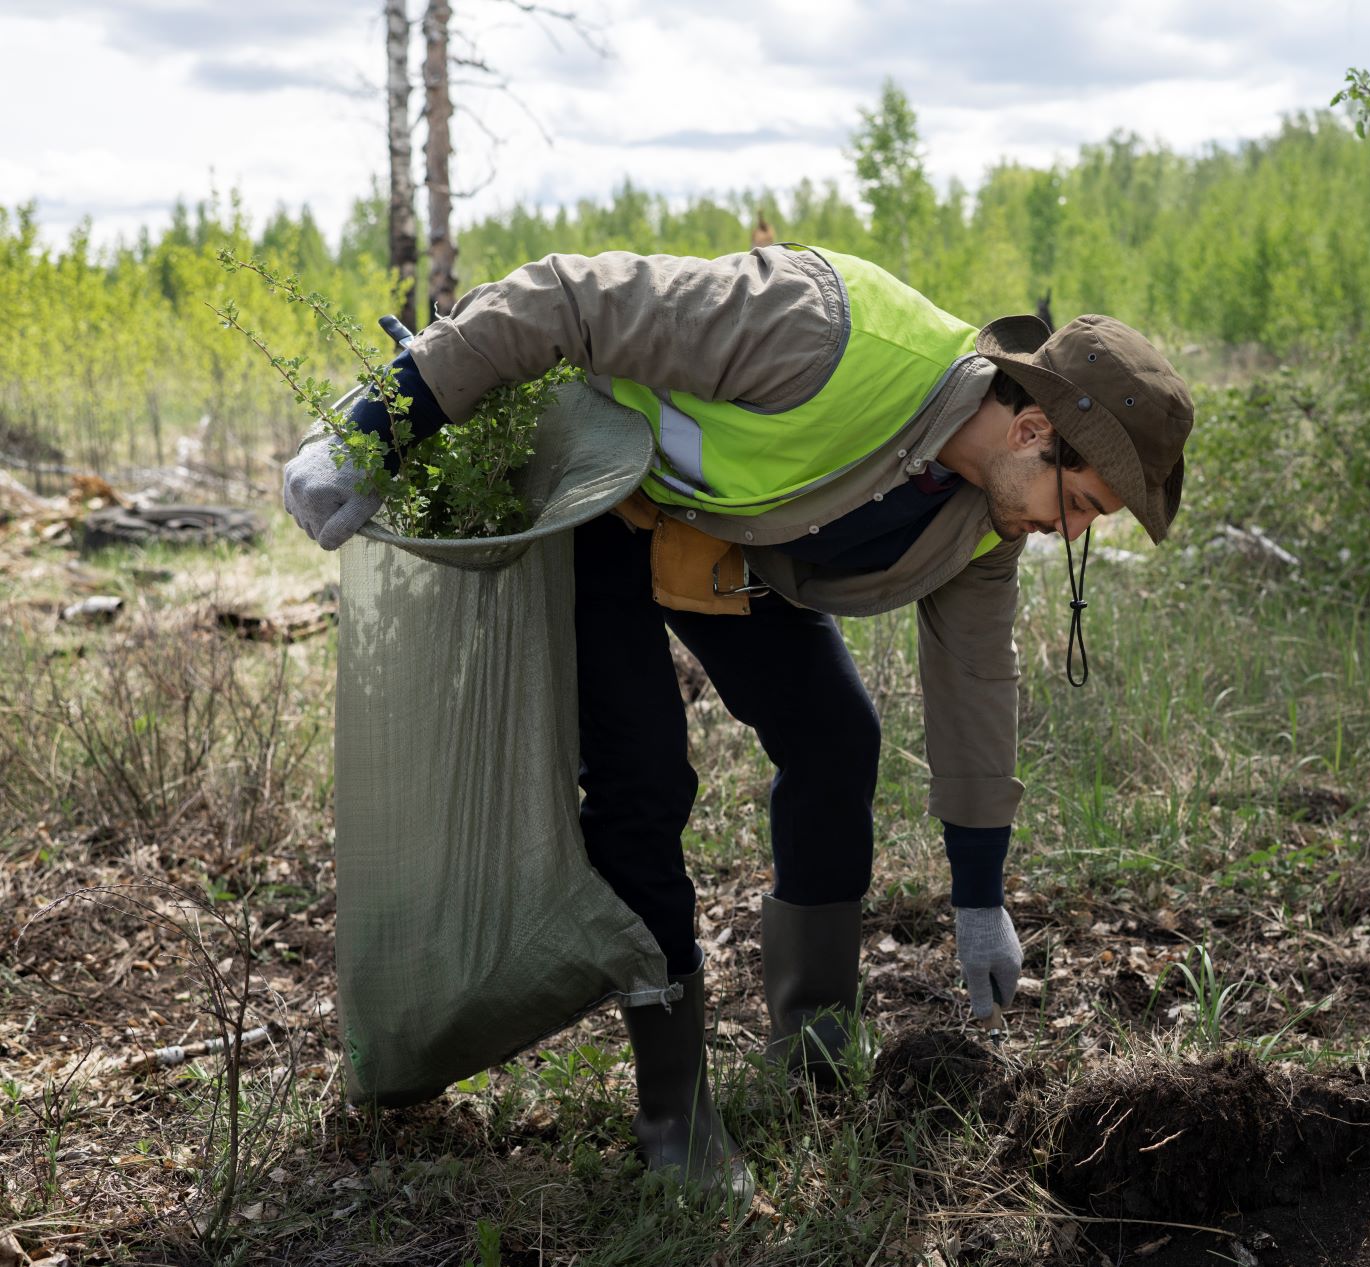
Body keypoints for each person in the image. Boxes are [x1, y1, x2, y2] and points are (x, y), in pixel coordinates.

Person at [282, 243, 1193, 1199]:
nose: (1072, 530)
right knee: (643, 781)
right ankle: (675, 1112)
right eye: (1081, 502)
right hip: (599, 492)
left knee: (837, 739)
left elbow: (976, 680)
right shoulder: (817, 328)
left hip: (720, 539)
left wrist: (978, 898)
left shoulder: (981, 522)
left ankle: (816, 1054)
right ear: (1033, 429)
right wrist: (370, 427)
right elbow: (562, 296)